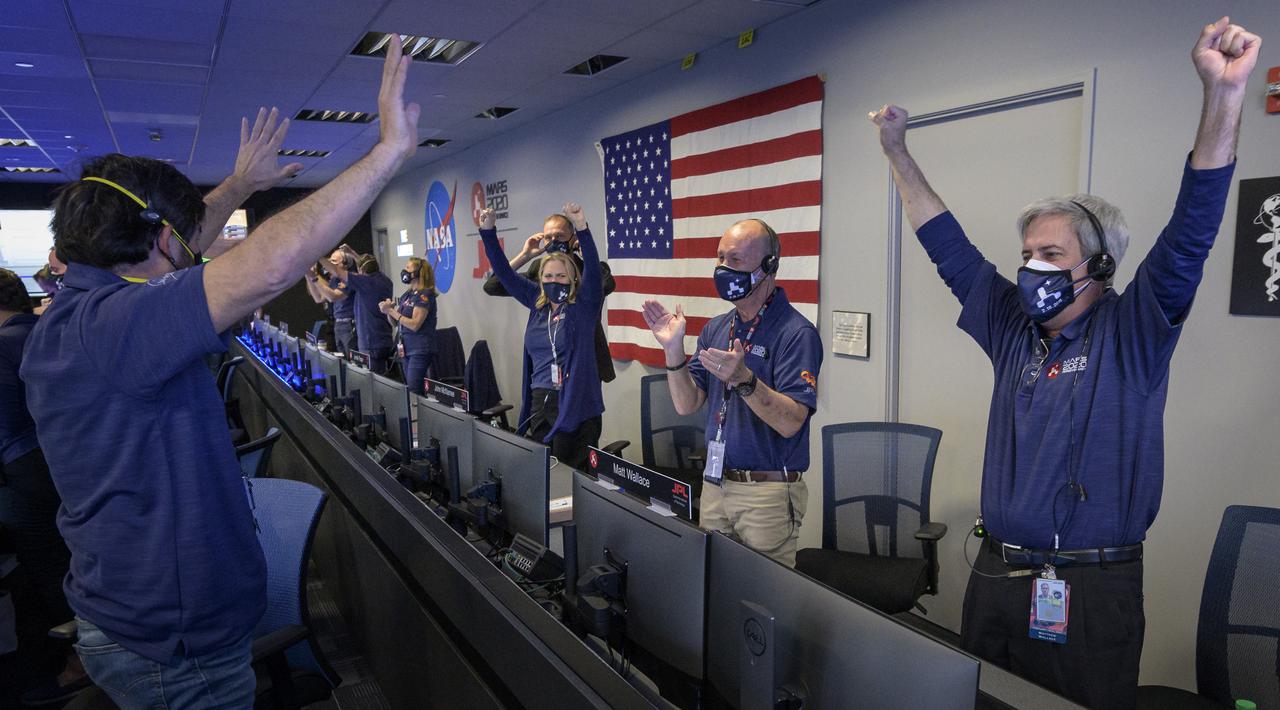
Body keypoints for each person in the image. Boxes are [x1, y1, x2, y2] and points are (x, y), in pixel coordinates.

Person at [868, 17, 1260, 709]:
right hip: (996, 576)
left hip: (1090, 589)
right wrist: (896, 152)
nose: (1030, 267)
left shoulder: (1135, 330)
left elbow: (1193, 228)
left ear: (1100, 266)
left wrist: (1223, 96)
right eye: (1026, 252)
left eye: (1050, 254)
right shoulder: (1011, 327)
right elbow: (946, 245)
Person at [20, 37, 422, 708]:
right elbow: (266, 265)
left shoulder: (86, 317)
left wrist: (239, 187)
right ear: (161, 240)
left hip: (142, 621)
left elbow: (176, 245)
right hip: (178, 649)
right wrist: (386, 154)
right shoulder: (117, 324)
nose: (193, 249)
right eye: (183, 239)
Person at [642, 219, 822, 567]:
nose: (723, 268)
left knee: (762, 600)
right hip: (716, 484)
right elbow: (686, 403)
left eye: (735, 260)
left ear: (768, 266)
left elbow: (791, 423)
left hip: (766, 494)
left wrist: (745, 380)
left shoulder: (797, 333)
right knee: (713, 589)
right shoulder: (717, 328)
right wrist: (673, 350)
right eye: (720, 258)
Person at [0, 268, 91, 705]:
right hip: (71, 470)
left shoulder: (1, 348)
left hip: (29, 479)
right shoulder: (47, 331)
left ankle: (77, 662)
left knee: (46, 571)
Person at [478, 203, 604, 472]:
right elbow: (502, 275)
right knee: (542, 476)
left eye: (561, 276)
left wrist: (582, 228)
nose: (554, 281)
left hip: (577, 406)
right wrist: (488, 233)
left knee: (569, 482)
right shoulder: (537, 302)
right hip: (540, 402)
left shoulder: (583, 305)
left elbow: (593, 270)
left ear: (572, 279)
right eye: (548, 276)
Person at [483, 213, 617, 383]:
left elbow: (607, 285)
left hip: (584, 361)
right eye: (548, 237)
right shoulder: (539, 270)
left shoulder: (589, 270)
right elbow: (493, 285)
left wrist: (586, 255)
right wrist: (525, 256)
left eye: (560, 236)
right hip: (547, 362)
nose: (554, 241)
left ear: (573, 238)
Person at [326, 249, 394, 373]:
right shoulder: (385, 280)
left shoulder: (366, 282)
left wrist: (317, 256)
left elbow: (337, 272)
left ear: (361, 271)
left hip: (370, 342)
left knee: (371, 381)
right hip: (383, 338)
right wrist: (352, 252)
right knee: (382, 378)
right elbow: (366, 266)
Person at [380, 256, 438, 394]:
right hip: (406, 349)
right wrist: (389, 310)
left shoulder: (425, 295)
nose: (404, 271)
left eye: (408, 268)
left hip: (420, 349)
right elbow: (395, 323)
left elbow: (415, 325)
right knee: (409, 389)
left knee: (414, 389)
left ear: (418, 273)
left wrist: (392, 311)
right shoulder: (408, 294)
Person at [304, 248, 358, 353]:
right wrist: (307, 274)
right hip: (338, 325)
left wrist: (314, 278)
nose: (329, 265)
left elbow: (332, 297)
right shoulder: (334, 280)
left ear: (346, 264)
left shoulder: (350, 278)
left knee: (352, 363)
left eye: (334, 261)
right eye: (330, 261)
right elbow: (318, 298)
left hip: (350, 326)